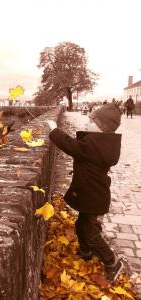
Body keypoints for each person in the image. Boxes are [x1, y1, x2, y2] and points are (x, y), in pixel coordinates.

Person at [47, 103, 124, 283]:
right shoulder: (104, 144)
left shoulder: (92, 145)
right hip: (93, 195)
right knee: (81, 225)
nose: (87, 123)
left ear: (102, 128)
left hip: (93, 197)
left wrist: (54, 130)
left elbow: (70, 145)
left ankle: (112, 262)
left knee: (92, 233)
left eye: (92, 121)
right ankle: (85, 252)